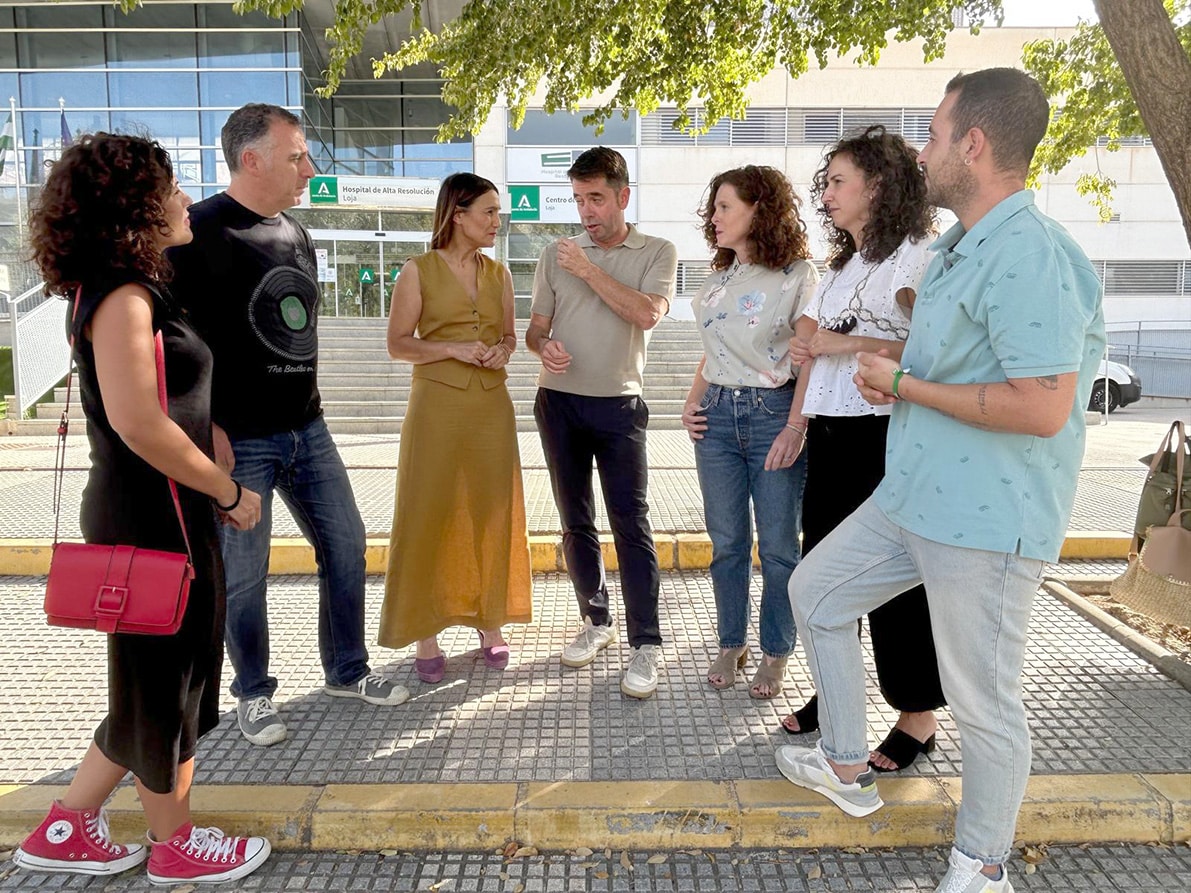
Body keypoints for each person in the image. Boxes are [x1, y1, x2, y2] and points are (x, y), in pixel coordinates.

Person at [775, 69, 1105, 893]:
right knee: (815, 590)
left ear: (974, 143)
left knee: (983, 701)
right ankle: (845, 763)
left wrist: (900, 382)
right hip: (913, 495)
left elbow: (1039, 406)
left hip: (986, 519)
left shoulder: (1030, 252)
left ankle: (981, 864)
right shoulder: (961, 246)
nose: (920, 152)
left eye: (930, 134)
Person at [14, 134, 271, 883]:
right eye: (172, 187)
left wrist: (210, 433)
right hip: (149, 513)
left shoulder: (131, 287)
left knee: (152, 679)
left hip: (160, 505)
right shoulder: (122, 294)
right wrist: (226, 490)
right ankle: (175, 845)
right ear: (136, 205)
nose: (186, 197)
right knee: (167, 681)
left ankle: (67, 826)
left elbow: (164, 401)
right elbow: (136, 420)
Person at [167, 104, 408, 748]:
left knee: (347, 545)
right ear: (253, 159)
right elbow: (174, 341)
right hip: (238, 439)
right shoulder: (196, 231)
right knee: (244, 574)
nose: (309, 168)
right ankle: (253, 694)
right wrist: (205, 427)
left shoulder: (296, 234)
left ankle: (347, 671)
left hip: (309, 427)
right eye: (297, 154)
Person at [779, 126, 947, 773]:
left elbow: (933, 355)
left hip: (884, 437)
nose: (825, 193)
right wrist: (803, 382)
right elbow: (816, 340)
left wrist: (838, 345)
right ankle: (837, 691)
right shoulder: (844, 264)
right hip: (830, 431)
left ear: (878, 186)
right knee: (822, 571)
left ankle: (917, 715)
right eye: (825, 182)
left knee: (896, 585)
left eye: (837, 181)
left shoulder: (916, 258)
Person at [526, 147, 678, 699]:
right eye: (577, 199)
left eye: (595, 198)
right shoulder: (552, 255)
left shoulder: (657, 250)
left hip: (619, 405)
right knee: (575, 522)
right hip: (558, 403)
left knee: (630, 524)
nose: (585, 212)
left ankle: (647, 643)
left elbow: (647, 314)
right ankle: (597, 622)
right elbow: (533, 329)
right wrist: (545, 348)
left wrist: (588, 269)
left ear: (622, 196)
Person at [378, 173, 532, 680]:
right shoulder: (416, 271)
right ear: (458, 214)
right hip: (436, 408)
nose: (496, 221)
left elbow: (510, 335)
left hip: (492, 407)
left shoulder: (501, 274)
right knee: (430, 510)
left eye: (497, 212)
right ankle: (426, 630)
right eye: (487, 211)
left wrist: (501, 350)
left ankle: (490, 621)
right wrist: (452, 348)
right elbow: (398, 344)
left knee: (491, 512)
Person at [681, 166, 818, 699]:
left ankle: (775, 653)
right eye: (713, 208)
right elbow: (712, 352)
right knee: (727, 543)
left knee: (781, 547)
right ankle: (729, 643)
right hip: (715, 417)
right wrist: (692, 403)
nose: (713, 218)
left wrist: (795, 425)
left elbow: (808, 359)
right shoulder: (718, 281)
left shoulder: (797, 275)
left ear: (759, 210)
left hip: (772, 414)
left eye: (724, 208)